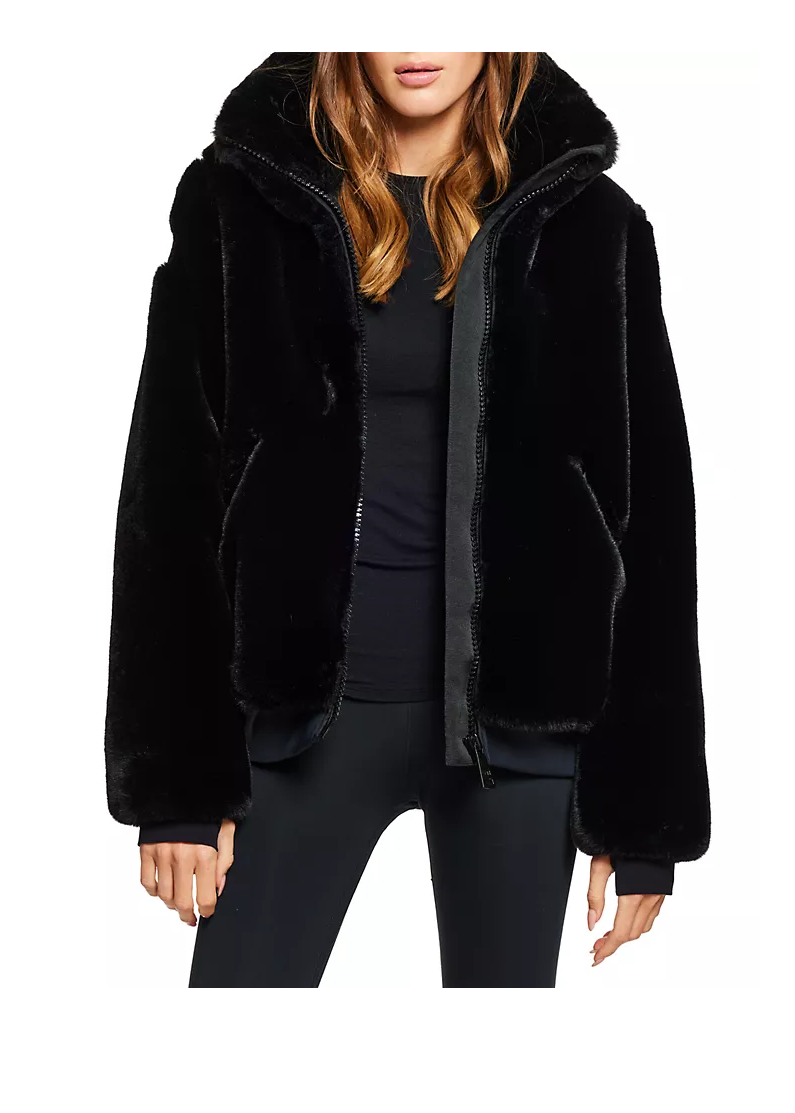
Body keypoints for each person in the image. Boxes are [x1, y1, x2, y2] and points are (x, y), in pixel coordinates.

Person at [103, 51, 711, 987]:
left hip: (516, 735)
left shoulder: (589, 222)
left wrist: (644, 814)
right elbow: (170, 490)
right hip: (306, 719)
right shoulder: (244, 201)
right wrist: (178, 782)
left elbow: (652, 516)